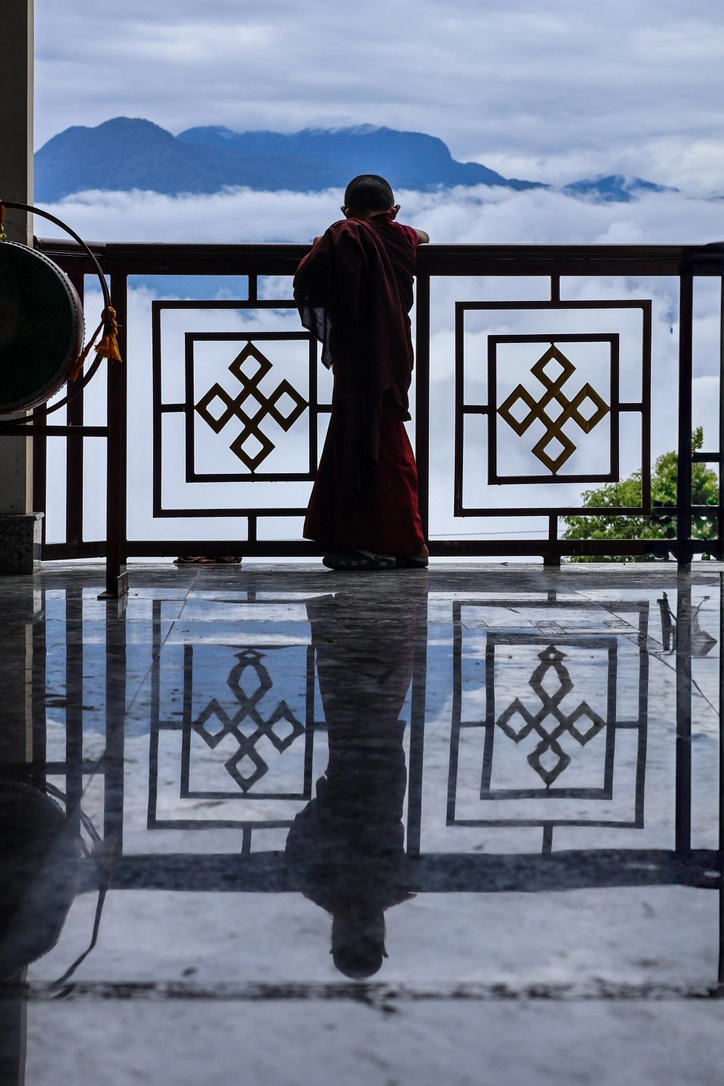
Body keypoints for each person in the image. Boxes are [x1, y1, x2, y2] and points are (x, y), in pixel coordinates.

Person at [294, 174, 430, 571]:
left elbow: (310, 276)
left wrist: (321, 245)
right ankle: (376, 540)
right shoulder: (400, 235)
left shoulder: (345, 234)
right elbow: (424, 235)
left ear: (346, 210)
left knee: (378, 443)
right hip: (391, 353)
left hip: (360, 356)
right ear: (394, 211)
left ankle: (406, 543)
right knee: (377, 438)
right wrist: (407, 227)